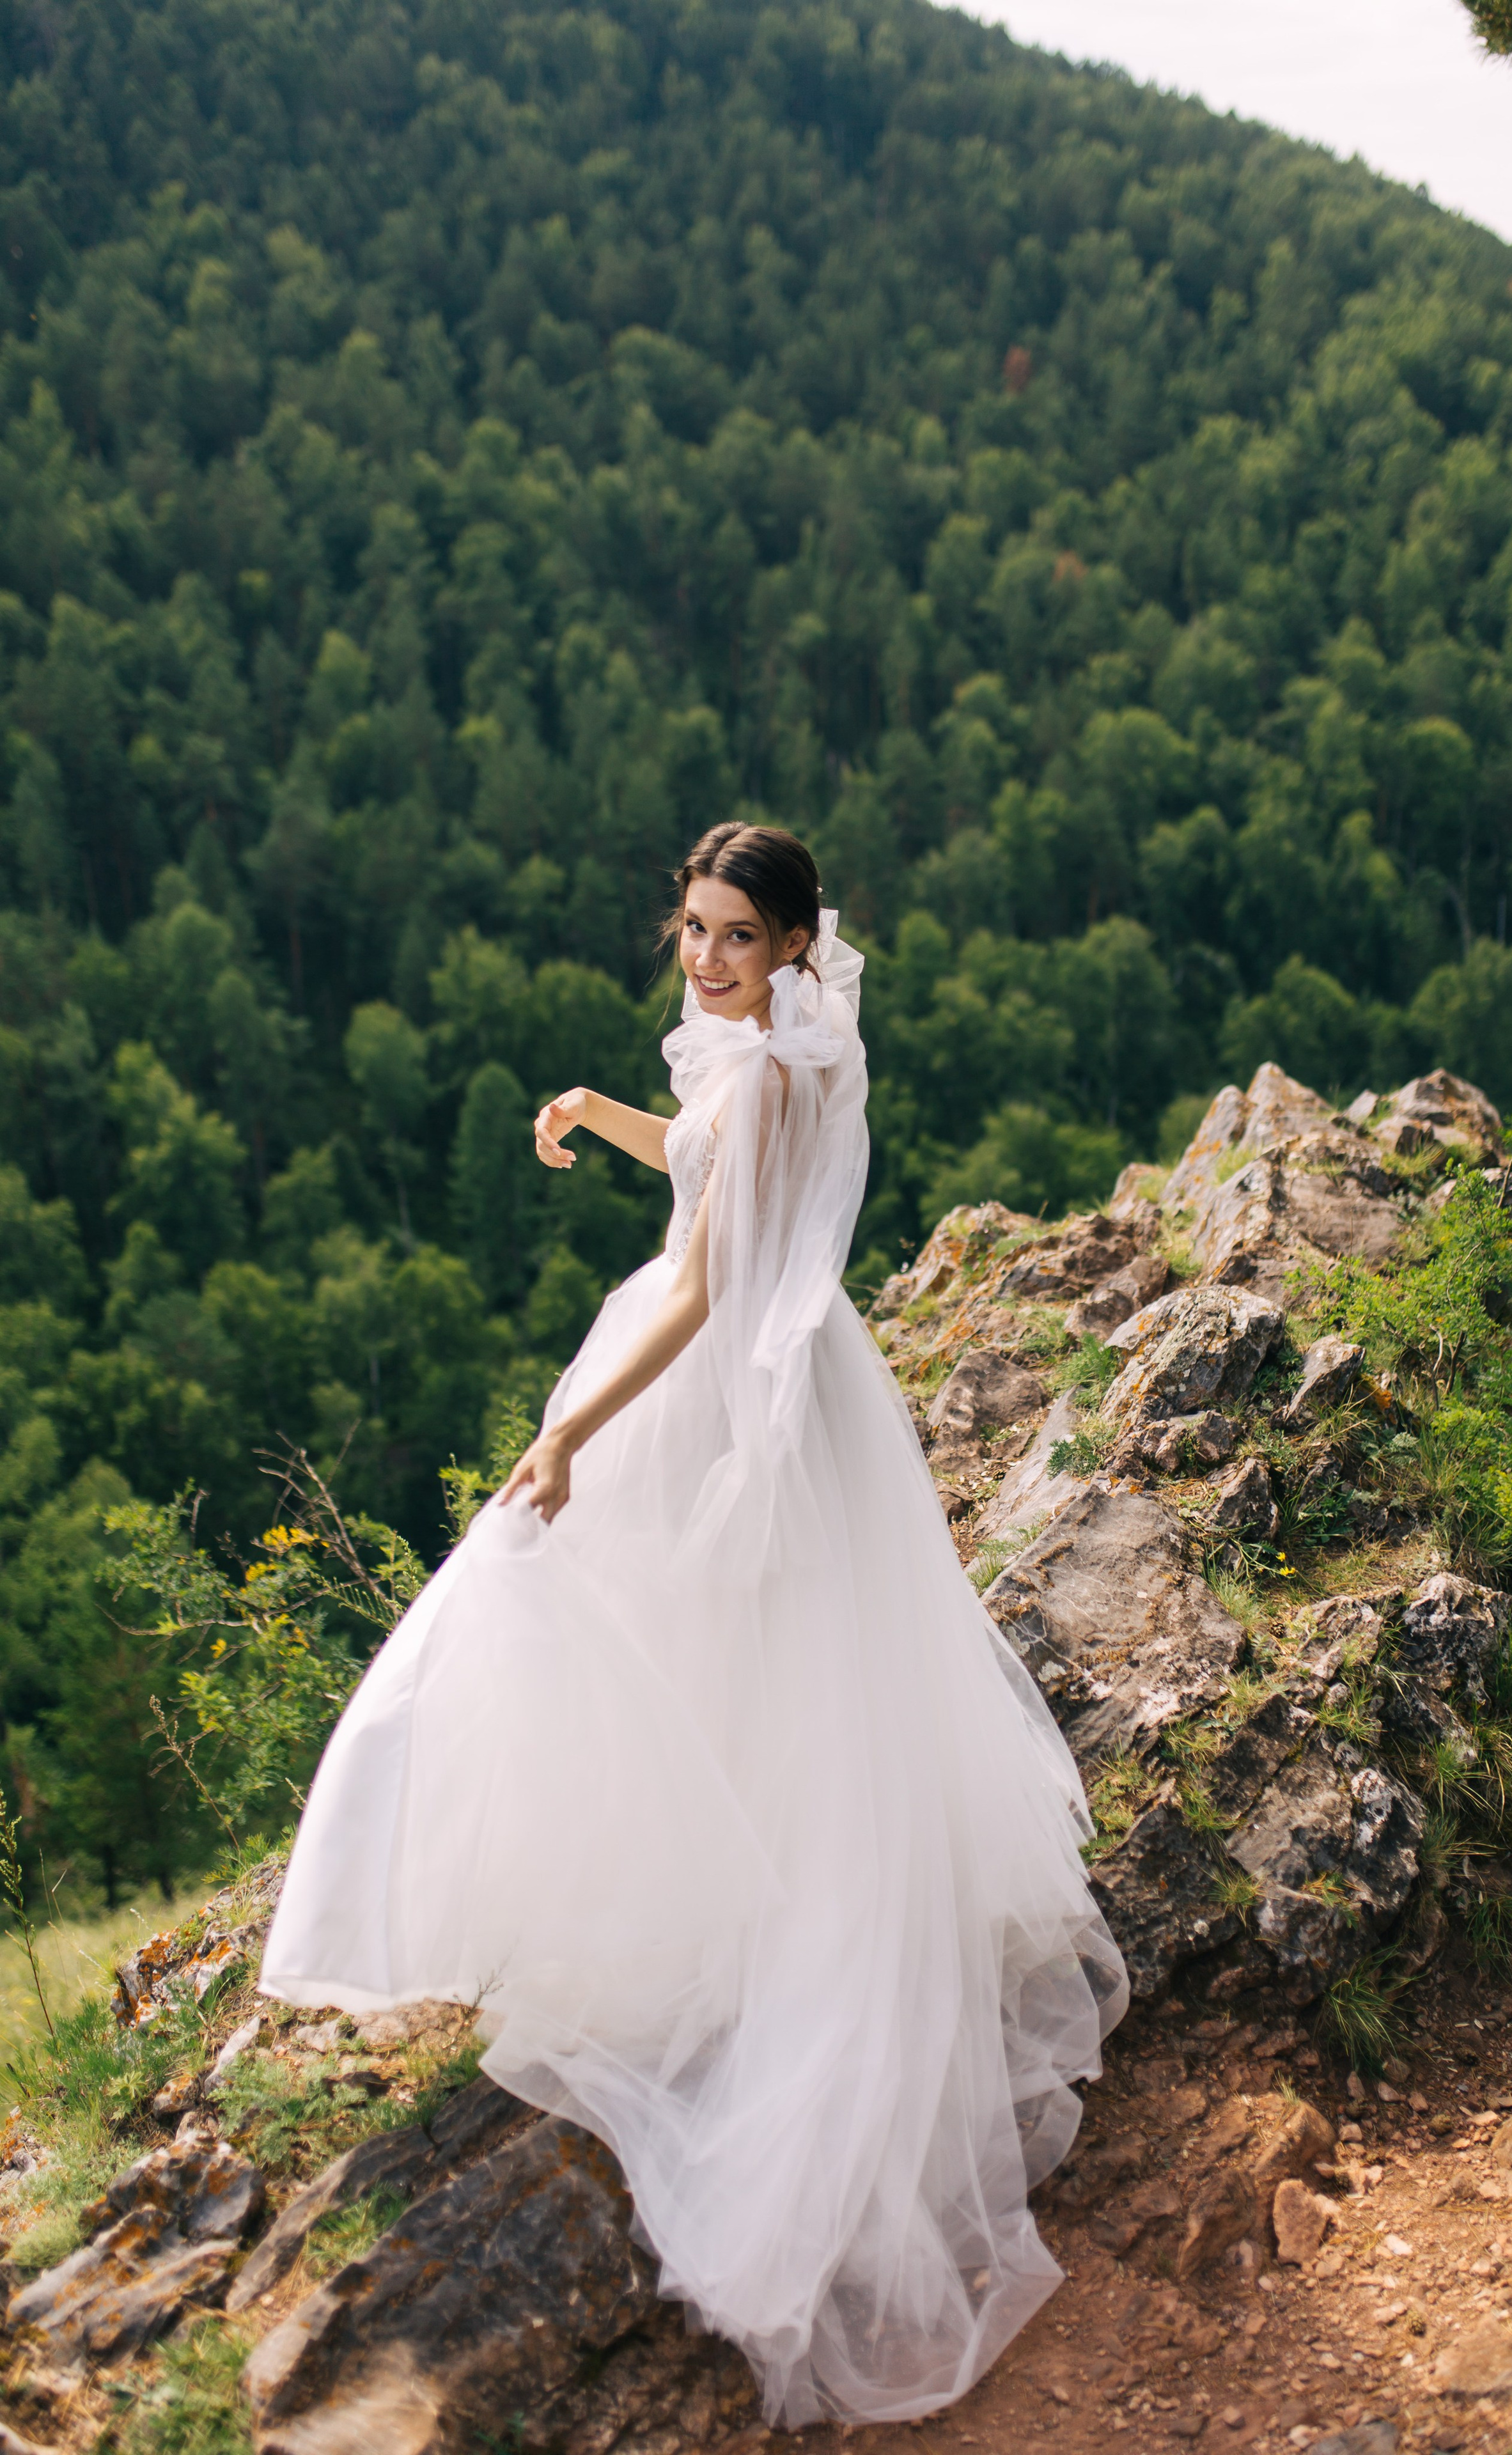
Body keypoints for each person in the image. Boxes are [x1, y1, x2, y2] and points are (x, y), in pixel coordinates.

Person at [260, 820, 1128, 2427]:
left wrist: (575, 1433)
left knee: (577, 1617)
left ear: (796, 944)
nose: (705, 958)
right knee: (735, 1671)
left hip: (717, 1388)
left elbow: (709, 1282)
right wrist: (602, 1115)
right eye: (692, 930)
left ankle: (607, 1932)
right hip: (786, 1391)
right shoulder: (775, 1056)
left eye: (737, 936)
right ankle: (691, 1913)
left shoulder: (766, 1068)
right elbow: (717, 1169)